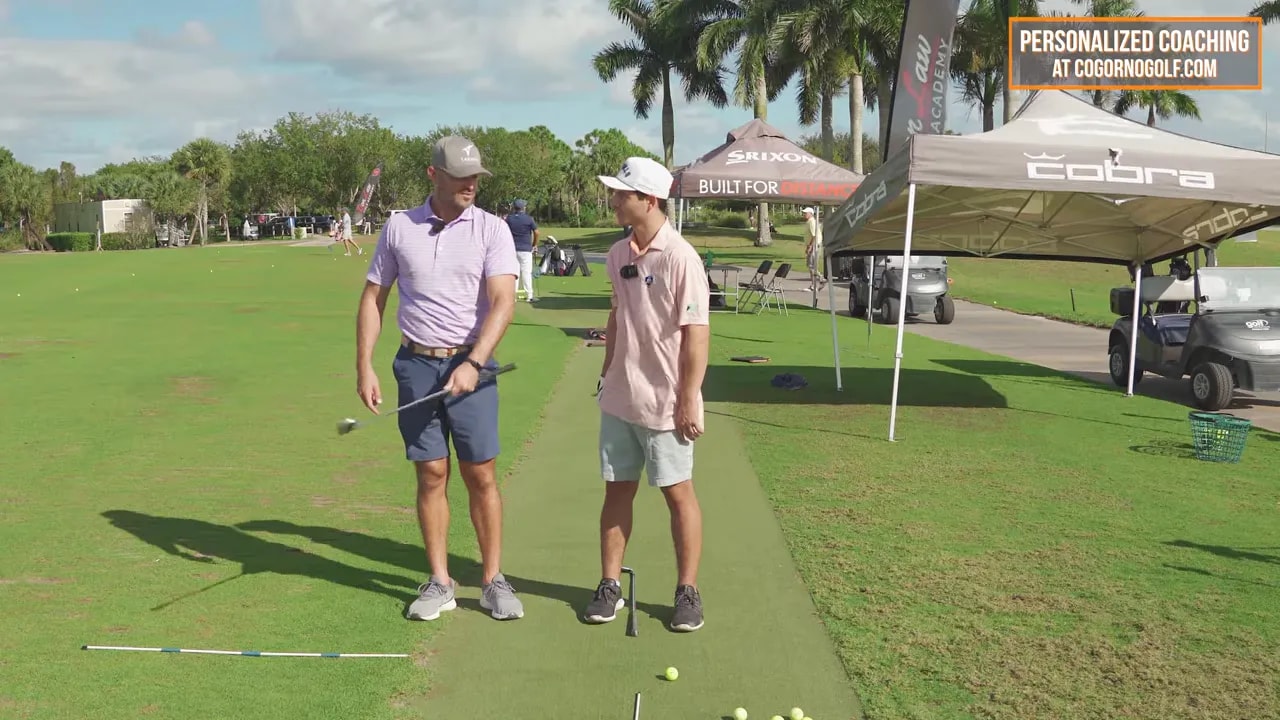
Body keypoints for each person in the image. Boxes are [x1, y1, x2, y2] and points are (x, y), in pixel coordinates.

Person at [356, 135, 523, 623]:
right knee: (431, 473)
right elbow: (373, 298)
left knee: (481, 474)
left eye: (475, 177)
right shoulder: (398, 227)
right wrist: (364, 364)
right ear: (434, 175)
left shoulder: (492, 229)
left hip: (473, 362)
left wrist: (474, 362)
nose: (471, 184)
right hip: (416, 365)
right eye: (461, 177)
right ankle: (440, 582)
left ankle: (493, 579)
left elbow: (504, 302)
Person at [583, 156, 711, 633]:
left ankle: (687, 591)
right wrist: (606, 371)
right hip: (620, 396)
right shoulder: (619, 254)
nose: (614, 200)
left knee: (678, 495)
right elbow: (617, 316)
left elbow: (696, 335)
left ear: (649, 200)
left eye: (622, 193)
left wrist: (687, 398)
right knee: (617, 489)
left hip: (666, 402)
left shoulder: (681, 257)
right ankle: (609, 585)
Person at [505, 199, 539, 302]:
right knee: (526, 273)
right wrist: (534, 244)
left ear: (514, 208)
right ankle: (529, 296)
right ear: (523, 208)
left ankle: (513, 296)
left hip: (512, 249)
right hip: (525, 250)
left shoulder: (509, 219)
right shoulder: (529, 219)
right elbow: (537, 232)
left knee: (514, 274)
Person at [802, 207, 825, 291]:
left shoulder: (812, 222)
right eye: (804, 213)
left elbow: (814, 235)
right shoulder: (810, 222)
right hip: (813, 245)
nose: (804, 214)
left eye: (806, 213)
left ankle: (821, 279)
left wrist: (810, 246)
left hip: (814, 245)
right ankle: (813, 284)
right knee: (810, 265)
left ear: (811, 213)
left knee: (811, 265)